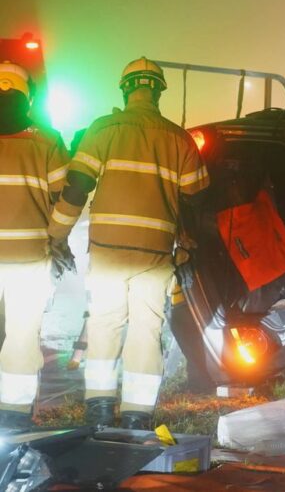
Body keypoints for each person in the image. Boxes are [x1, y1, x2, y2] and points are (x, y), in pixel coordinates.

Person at [48, 57, 209, 429]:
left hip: (107, 252)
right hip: (155, 255)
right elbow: (198, 196)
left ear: (125, 89)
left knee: (104, 326)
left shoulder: (103, 129)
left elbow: (76, 188)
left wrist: (56, 235)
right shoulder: (178, 138)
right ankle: (137, 415)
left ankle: (100, 409)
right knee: (146, 331)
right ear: (159, 92)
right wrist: (186, 241)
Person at [0, 62, 73, 430]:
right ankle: (12, 417)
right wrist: (58, 237)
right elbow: (67, 193)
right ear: (28, 97)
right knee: (21, 335)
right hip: (29, 258)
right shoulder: (46, 139)